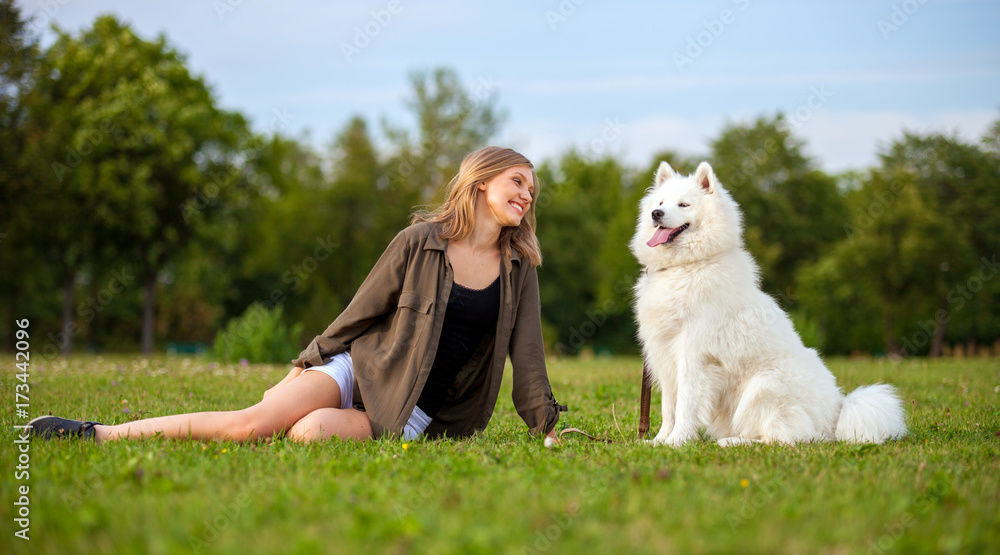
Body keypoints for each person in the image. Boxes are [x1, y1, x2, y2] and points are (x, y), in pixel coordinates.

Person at [30, 146, 564, 444]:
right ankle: (97, 434)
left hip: (411, 409)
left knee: (308, 436)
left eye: (531, 190)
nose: (525, 195)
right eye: (516, 181)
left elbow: (528, 355)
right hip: (362, 368)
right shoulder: (419, 241)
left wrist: (546, 427)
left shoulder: (519, 269)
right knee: (250, 424)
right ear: (479, 183)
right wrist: (308, 362)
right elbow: (361, 311)